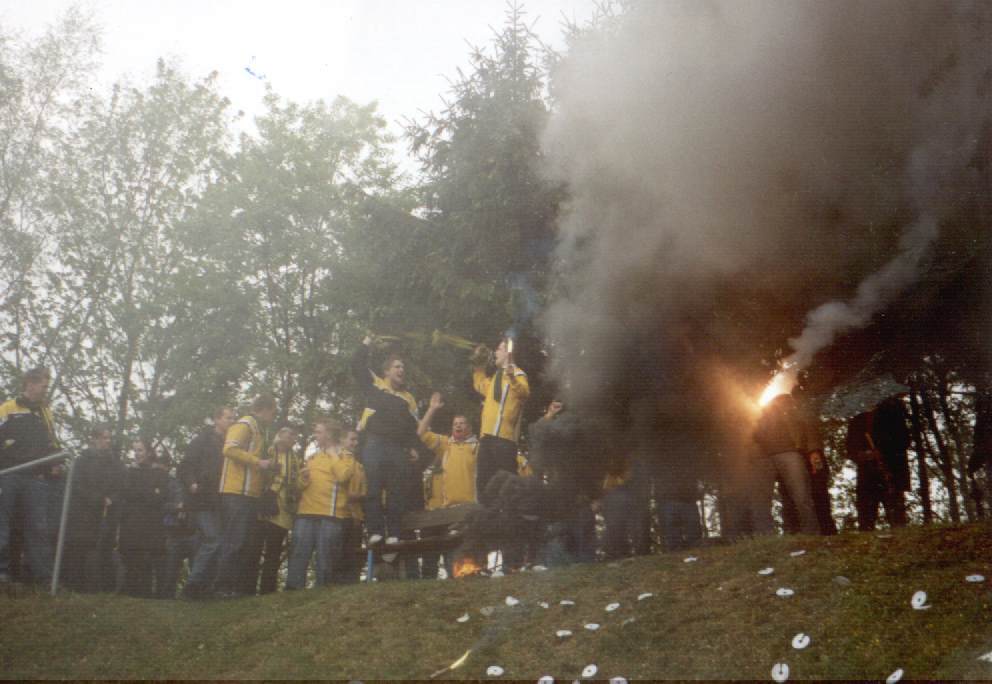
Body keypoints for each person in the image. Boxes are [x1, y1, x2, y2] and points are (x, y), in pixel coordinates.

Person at [352, 336, 420, 547]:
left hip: (398, 447)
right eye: (397, 366)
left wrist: (414, 447)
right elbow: (356, 365)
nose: (401, 370)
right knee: (372, 488)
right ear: (387, 371)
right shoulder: (376, 385)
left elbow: (413, 428)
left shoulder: (408, 398)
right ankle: (375, 531)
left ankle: (394, 534)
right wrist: (366, 343)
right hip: (374, 443)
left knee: (396, 491)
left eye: (403, 367)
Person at [0, 367, 61, 586]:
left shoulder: (44, 412)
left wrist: (56, 461)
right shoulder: (8, 408)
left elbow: (52, 442)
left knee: (38, 526)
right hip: (9, 475)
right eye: (43, 385)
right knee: (3, 525)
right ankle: (3, 573)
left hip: (36, 477)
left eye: (46, 386)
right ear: (30, 384)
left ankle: (41, 577)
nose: (45, 390)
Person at [214, 396, 277, 598]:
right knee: (234, 541)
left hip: (250, 493)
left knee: (245, 542)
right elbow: (229, 449)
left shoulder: (259, 429)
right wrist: (259, 463)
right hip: (236, 492)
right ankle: (222, 588)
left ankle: (236, 588)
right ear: (264, 409)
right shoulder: (245, 424)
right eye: (273, 412)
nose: (273, 416)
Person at [285, 417, 355, 590]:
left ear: (329, 434)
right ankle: (292, 592)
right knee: (299, 554)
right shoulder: (312, 457)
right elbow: (300, 486)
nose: (315, 435)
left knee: (326, 558)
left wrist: (332, 454)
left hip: (330, 515)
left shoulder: (345, 455)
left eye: (318, 432)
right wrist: (303, 479)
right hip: (305, 513)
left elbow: (344, 476)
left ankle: (323, 592)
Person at [417, 392, 480, 578]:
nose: (458, 426)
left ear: (469, 427)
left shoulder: (479, 447)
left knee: (463, 558)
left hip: (469, 509)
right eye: (455, 424)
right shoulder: (446, 444)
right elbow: (420, 432)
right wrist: (432, 409)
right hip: (446, 509)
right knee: (448, 554)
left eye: (462, 423)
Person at [178, 406, 236, 600]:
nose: (231, 421)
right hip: (201, 499)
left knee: (211, 542)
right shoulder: (202, 440)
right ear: (217, 419)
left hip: (220, 499)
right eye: (228, 418)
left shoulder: (230, 442)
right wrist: (192, 484)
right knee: (213, 540)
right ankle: (192, 585)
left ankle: (205, 587)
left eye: (233, 418)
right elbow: (186, 464)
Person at [62, 425, 124, 593]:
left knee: (103, 549)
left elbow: (121, 486)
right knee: (81, 549)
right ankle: (77, 586)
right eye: (104, 438)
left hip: (106, 513)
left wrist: (112, 498)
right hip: (84, 513)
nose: (107, 441)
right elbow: (77, 485)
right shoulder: (82, 461)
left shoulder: (115, 463)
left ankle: (102, 588)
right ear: (94, 439)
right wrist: (97, 498)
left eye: (109, 438)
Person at [752, 393, 820, 535]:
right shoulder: (758, 414)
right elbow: (751, 434)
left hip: (790, 453)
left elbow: (809, 430)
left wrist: (814, 452)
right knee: (761, 499)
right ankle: (765, 537)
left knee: (801, 495)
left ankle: (812, 533)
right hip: (763, 457)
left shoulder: (796, 413)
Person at [245, 425, 301, 594]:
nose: (292, 437)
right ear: (279, 435)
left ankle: (267, 591)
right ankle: (246, 589)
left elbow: (296, 483)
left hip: (283, 511)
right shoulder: (266, 452)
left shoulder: (295, 460)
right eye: (289, 433)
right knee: (253, 549)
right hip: (262, 507)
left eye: (294, 435)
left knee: (273, 551)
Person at [471, 338, 530, 495]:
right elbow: (479, 385)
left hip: (504, 439)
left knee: (507, 482)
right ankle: (487, 515)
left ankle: (512, 515)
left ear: (508, 353)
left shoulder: (518, 374)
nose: (495, 352)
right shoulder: (494, 378)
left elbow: (524, 393)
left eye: (499, 349)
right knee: (484, 482)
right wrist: (478, 366)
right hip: (486, 438)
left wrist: (511, 377)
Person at [847, 396, 911, 531]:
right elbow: (850, 449)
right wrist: (865, 455)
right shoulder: (857, 421)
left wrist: (883, 451)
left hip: (891, 472)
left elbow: (904, 441)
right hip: (867, 475)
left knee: (897, 517)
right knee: (866, 517)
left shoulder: (893, 415)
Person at [119, 439, 169, 598]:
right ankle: (131, 591)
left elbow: (161, 496)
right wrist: (149, 492)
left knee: (149, 556)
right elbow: (127, 493)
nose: (136, 454)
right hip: (132, 521)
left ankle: (148, 593)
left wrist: (146, 493)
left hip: (151, 522)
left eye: (140, 450)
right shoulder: (129, 472)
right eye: (135, 450)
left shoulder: (159, 472)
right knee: (132, 556)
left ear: (148, 452)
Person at [335, 428, 367, 583]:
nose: (355, 443)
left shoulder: (359, 465)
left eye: (356, 440)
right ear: (341, 440)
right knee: (338, 553)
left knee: (354, 552)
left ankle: (352, 584)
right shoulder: (336, 459)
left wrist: (361, 496)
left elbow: (364, 490)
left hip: (357, 514)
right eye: (352, 439)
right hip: (339, 513)